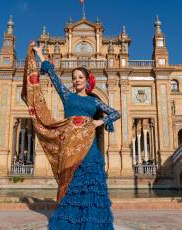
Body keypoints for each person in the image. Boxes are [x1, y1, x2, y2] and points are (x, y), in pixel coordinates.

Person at [22, 42, 120, 229]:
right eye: (74, 78)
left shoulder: (94, 102)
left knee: (90, 187)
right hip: (70, 148)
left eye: (80, 77)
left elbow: (116, 113)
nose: (76, 80)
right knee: (72, 187)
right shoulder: (67, 96)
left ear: (87, 80)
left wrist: (100, 122)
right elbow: (53, 75)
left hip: (89, 149)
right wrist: (40, 54)